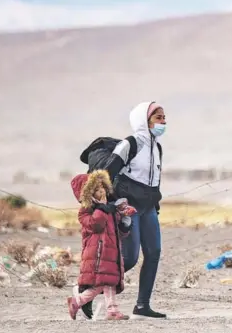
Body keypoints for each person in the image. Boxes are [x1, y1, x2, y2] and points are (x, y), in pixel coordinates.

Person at [100, 101, 167, 319]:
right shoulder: (130, 144)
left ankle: (142, 306)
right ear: (144, 121)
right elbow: (107, 174)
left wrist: (155, 204)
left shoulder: (157, 147)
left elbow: (154, 180)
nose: (163, 122)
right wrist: (115, 203)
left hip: (148, 208)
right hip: (129, 208)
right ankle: (88, 290)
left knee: (154, 253)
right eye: (158, 118)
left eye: (164, 117)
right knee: (129, 259)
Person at [67, 169, 136, 321]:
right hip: (97, 254)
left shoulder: (108, 208)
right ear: (88, 194)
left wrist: (124, 221)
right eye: (97, 190)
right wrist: (101, 209)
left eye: (102, 187)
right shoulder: (85, 212)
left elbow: (116, 230)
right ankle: (77, 301)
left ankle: (112, 311)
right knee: (101, 283)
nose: (102, 192)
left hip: (110, 252)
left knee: (110, 281)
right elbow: (96, 225)